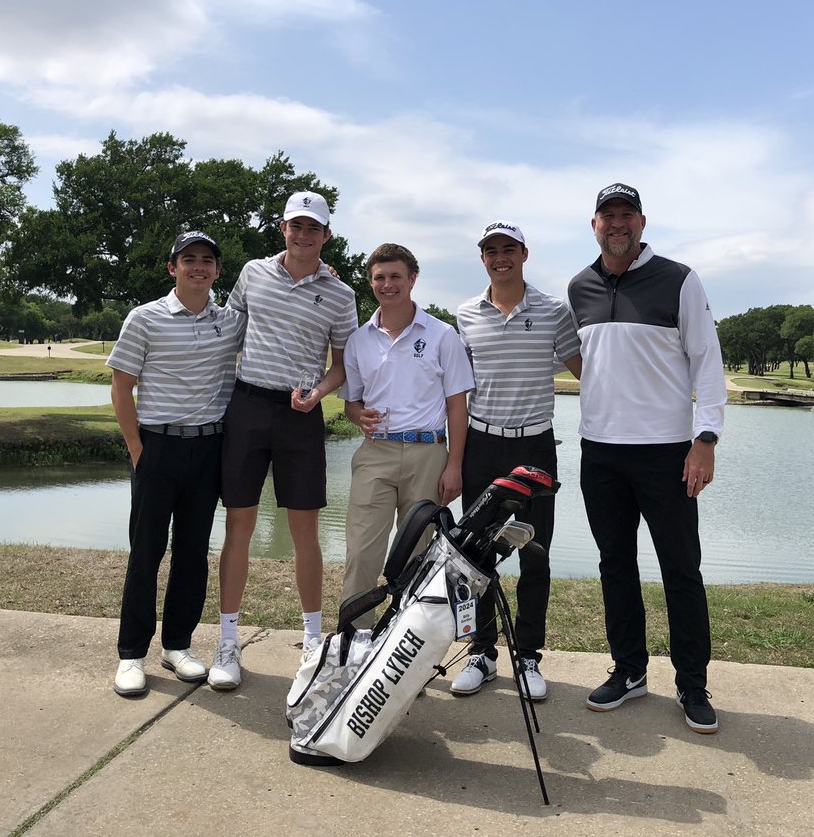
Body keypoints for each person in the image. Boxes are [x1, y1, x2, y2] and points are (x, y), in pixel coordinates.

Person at [567, 183, 726, 734]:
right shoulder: (579, 286)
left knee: (681, 569)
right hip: (601, 452)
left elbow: (707, 361)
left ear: (641, 221)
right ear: (594, 225)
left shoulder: (679, 279)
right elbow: (590, 362)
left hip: (667, 453)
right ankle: (630, 670)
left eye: (626, 215)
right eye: (607, 216)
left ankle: (692, 683)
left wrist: (704, 438)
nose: (617, 224)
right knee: (616, 565)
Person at [211, 191, 358, 690]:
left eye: (312, 228)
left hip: (301, 415)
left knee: (304, 532)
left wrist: (318, 392)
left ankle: (313, 640)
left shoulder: (341, 295)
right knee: (239, 525)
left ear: (326, 235)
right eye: (296, 226)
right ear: (282, 229)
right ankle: (228, 641)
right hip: (248, 405)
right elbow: (229, 329)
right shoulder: (253, 272)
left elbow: (341, 365)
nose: (303, 235)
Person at [108, 231, 246, 698]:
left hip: (208, 449)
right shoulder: (144, 318)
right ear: (173, 268)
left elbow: (274, 312)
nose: (199, 267)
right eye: (189, 260)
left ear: (217, 271)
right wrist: (136, 448)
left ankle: (177, 645)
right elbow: (122, 386)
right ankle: (131, 654)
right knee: (146, 552)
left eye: (207, 260)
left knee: (192, 553)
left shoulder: (229, 322)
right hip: (157, 446)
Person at [450, 221, 581, 702]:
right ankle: (482, 653)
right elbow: (455, 391)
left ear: (524, 253)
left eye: (509, 249)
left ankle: (527, 656)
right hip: (483, 443)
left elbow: (585, 370)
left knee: (534, 554)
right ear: (482, 257)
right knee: (476, 555)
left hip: (535, 445)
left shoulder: (551, 311)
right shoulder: (465, 313)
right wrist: (453, 459)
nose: (500, 257)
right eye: (491, 250)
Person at [340, 243, 474, 627]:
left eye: (396, 276)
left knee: (419, 555)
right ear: (370, 282)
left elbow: (456, 406)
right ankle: (356, 642)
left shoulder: (442, 335)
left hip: (427, 453)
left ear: (412, 279)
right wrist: (357, 416)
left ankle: (405, 646)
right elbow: (352, 402)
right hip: (375, 453)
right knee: (363, 552)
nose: (387, 284)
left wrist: (454, 466)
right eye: (379, 277)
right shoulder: (359, 339)